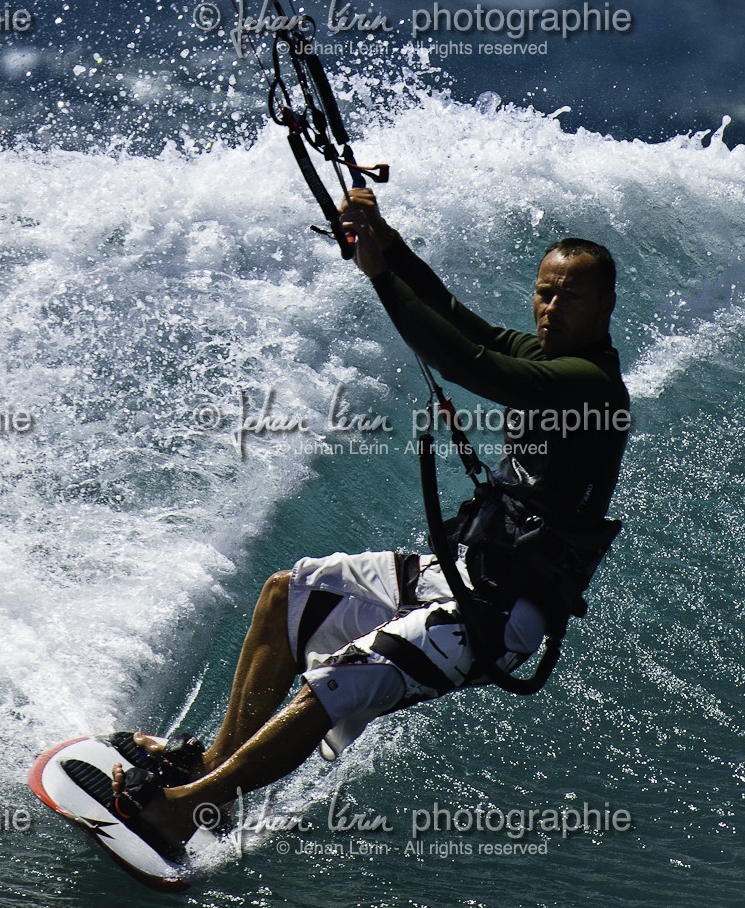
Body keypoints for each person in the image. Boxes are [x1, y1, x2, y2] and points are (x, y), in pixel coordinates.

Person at [112, 187, 631, 849]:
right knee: (284, 594)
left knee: (334, 683)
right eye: (544, 292)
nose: (550, 308)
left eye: (570, 297)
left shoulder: (592, 386)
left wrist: (379, 275)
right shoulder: (548, 356)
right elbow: (455, 316)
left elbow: (466, 361)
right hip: (462, 572)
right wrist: (385, 240)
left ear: (606, 308)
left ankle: (185, 809)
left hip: (501, 613)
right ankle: (212, 773)